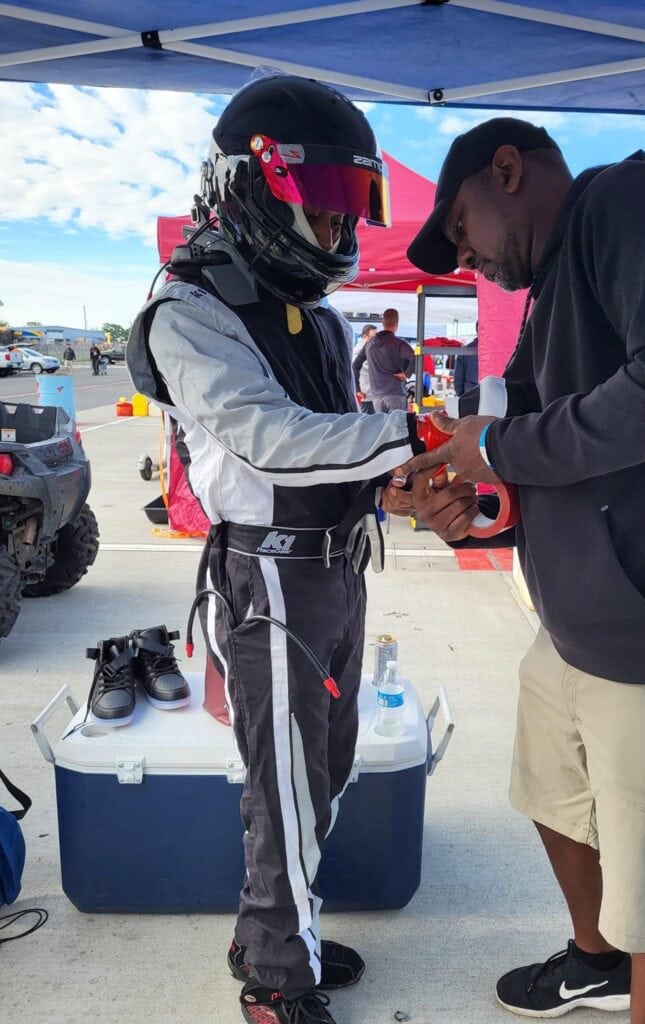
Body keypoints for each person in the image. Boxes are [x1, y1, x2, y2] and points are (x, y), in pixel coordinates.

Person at [395, 117, 645, 1024]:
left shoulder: (632, 203)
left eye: (460, 229)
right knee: (552, 798)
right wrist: (465, 510)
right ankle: (595, 962)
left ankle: (634, 973)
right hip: (575, 628)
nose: (464, 257)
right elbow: (542, 454)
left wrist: (506, 445)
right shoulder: (555, 283)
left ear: (508, 171)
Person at [127, 76, 420, 1024]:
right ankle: (274, 981)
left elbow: (346, 441)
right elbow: (271, 437)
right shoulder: (187, 309)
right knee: (285, 786)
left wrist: (407, 472)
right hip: (272, 578)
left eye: (351, 214)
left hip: (335, 567)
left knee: (322, 772)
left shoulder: (321, 317)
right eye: (325, 211)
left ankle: (272, 929)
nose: (339, 236)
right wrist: (410, 438)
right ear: (255, 188)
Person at [352, 307, 414, 412]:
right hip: (395, 392)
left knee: (382, 427)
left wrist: (357, 389)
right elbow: (414, 358)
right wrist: (407, 374)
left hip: (377, 396)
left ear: (382, 322)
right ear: (397, 323)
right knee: (398, 427)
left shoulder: (369, 343)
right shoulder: (399, 343)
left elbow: (355, 366)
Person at [351, 323, 377, 411]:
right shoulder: (359, 351)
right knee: (368, 420)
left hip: (370, 392)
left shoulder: (367, 349)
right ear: (365, 336)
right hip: (366, 393)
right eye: (373, 337)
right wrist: (358, 390)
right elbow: (354, 369)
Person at [453, 323, 478, 397]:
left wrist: (461, 396)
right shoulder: (498, 350)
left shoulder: (465, 351)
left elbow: (458, 379)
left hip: (471, 394)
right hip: (494, 395)